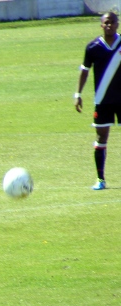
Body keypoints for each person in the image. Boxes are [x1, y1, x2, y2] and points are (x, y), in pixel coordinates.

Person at [75, 11, 121, 190]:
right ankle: (100, 179)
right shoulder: (93, 47)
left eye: (112, 22)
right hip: (103, 100)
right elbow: (85, 71)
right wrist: (78, 94)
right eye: (106, 22)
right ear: (101, 25)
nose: (109, 25)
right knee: (101, 137)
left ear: (117, 24)